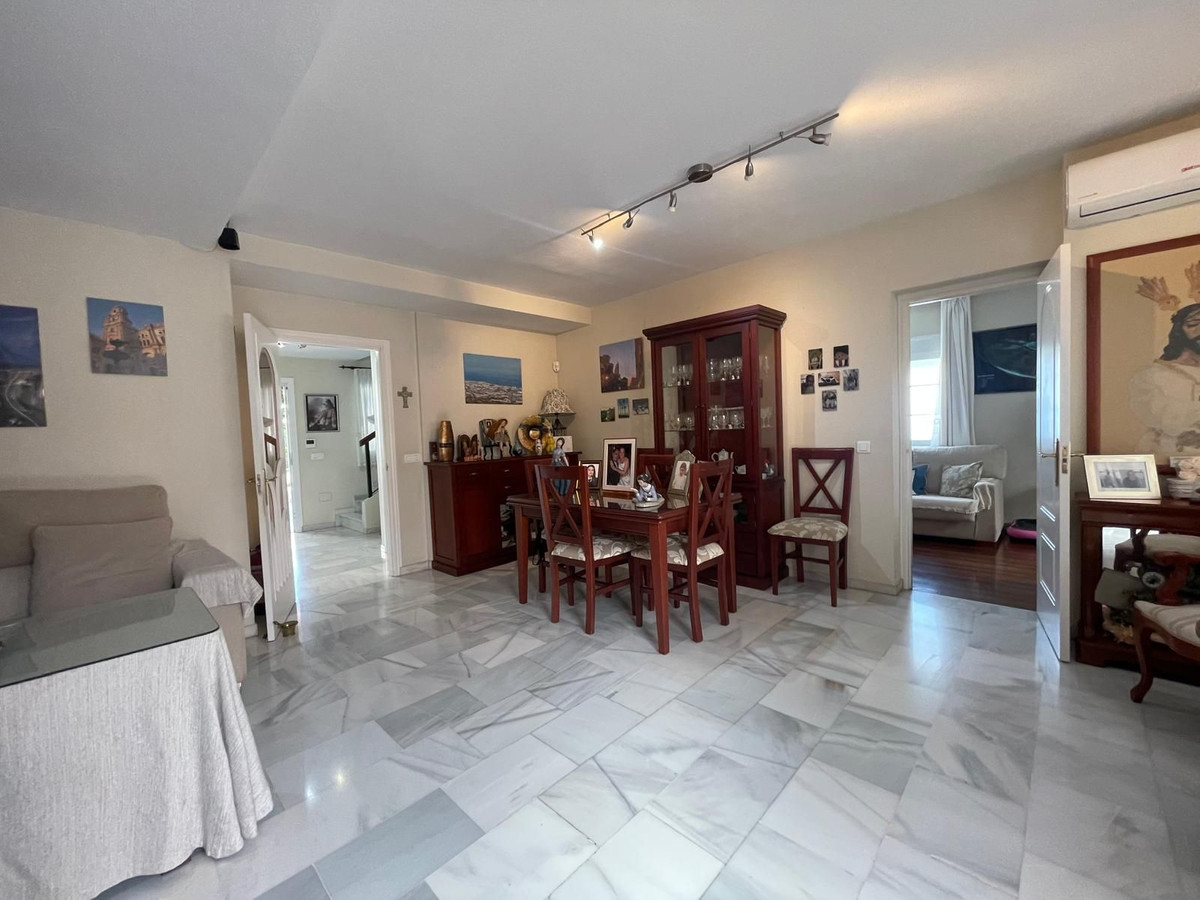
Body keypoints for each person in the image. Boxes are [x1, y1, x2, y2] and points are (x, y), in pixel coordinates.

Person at [1130, 302, 1200, 456]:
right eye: (1193, 324)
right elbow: (1166, 420)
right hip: (1166, 454)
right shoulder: (1154, 374)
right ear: (1178, 331)